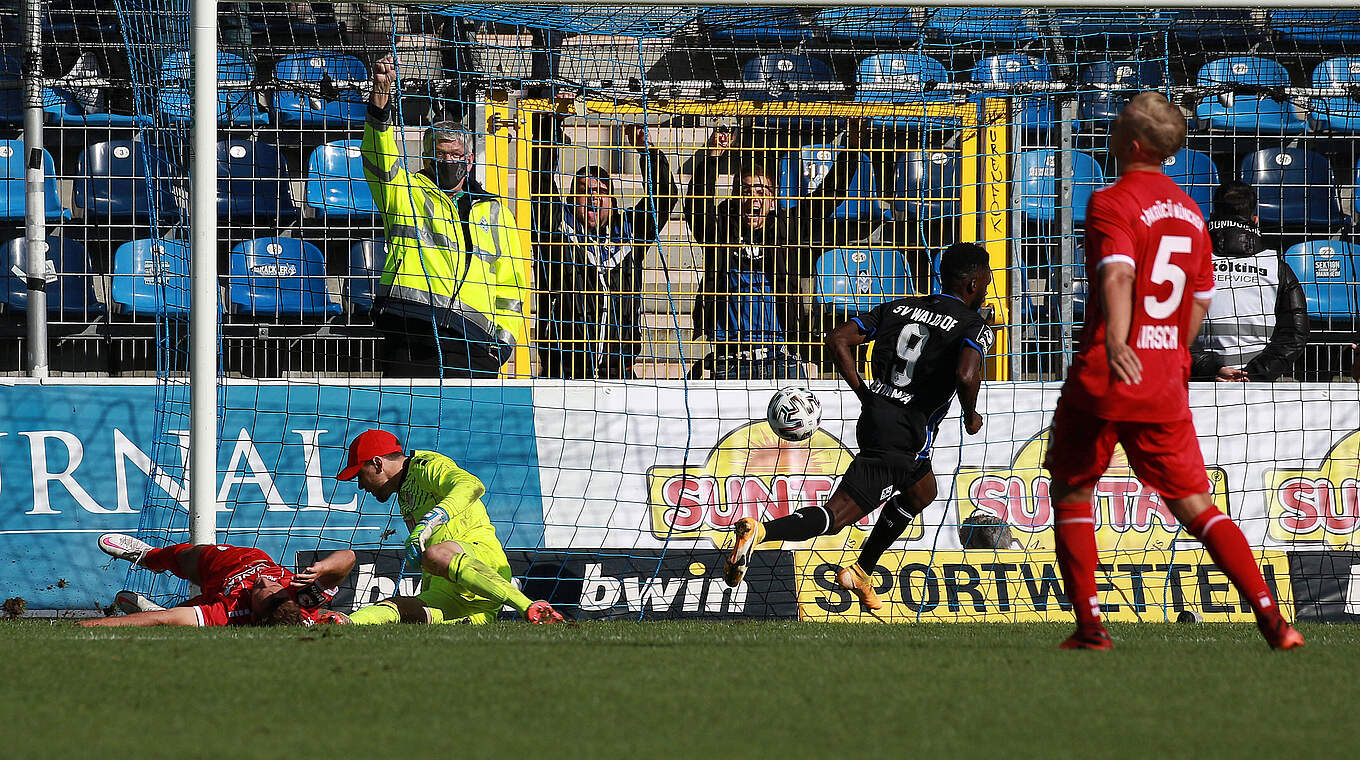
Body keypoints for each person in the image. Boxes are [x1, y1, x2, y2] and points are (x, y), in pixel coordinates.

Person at [1043, 92, 1303, 651]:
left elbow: (1116, 276)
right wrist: (1176, 354)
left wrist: (1118, 338)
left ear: (1130, 144)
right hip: (1164, 379)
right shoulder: (1190, 214)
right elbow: (1201, 299)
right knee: (1196, 505)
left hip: (1107, 374)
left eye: (1116, 125)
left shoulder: (1111, 201)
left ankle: (1090, 628)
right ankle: (1274, 621)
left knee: (1072, 488)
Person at [723, 242, 995, 612]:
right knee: (836, 516)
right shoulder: (973, 325)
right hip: (902, 435)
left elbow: (836, 338)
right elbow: (966, 374)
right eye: (988, 279)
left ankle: (862, 570)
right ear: (975, 284)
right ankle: (761, 531)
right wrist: (970, 413)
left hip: (876, 417)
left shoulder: (900, 307)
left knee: (921, 493)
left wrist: (863, 392)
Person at [362, 54, 528, 378]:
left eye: (455, 155)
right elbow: (378, 156)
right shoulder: (404, 190)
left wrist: (502, 346)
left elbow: (513, 287)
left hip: (475, 343)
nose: (448, 161)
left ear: (469, 160)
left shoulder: (497, 212)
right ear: (426, 157)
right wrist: (380, 101)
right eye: (440, 155)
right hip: (412, 328)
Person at [684, 123, 881, 380]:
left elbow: (830, 194)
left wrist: (853, 148)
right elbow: (696, 203)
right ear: (734, 198)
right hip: (729, 358)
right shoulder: (719, 233)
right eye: (745, 191)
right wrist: (712, 157)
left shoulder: (787, 229)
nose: (753, 198)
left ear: (772, 200)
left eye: (761, 191)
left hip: (779, 357)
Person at [337, 429, 564, 625]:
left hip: (482, 565)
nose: (360, 485)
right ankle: (347, 621)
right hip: (449, 587)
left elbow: (472, 485)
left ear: (377, 463)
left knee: (436, 554)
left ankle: (531, 608)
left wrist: (431, 520)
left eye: (360, 474)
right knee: (400, 606)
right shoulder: (403, 495)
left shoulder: (428, 466)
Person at [531, 116, 678, 378]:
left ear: (612, 198)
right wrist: (550, 129)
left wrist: (647, 150)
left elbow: (666, 194)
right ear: (570, 198)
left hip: (620, 370)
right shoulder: (555, 229)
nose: (594, 197)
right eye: (585, 190)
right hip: (564, 371)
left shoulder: (631, 230)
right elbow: (540, 182)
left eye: (601, 190)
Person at [79, 534, 355, 627]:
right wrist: (323, 567)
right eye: (274, 588)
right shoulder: (303, 596)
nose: (264, 583)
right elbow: (349, 558)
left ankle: (156, 607)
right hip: (241, 562)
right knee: (190, 555)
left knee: (177, 616)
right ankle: (149, 557)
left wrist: (91, 624)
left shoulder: (231, 614)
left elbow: (163, 621)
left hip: (218, 590)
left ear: (256, 614)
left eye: (261, 592)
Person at [1190, 180, 1308, 382]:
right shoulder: (1277, 268)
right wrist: (1256, 373)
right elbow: (1296, 333)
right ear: (1255, 220)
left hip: (1201, 385)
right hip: (1259, 386)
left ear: (1211, 218)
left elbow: (1168, 325)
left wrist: (1210, 369)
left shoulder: (1189, 264)